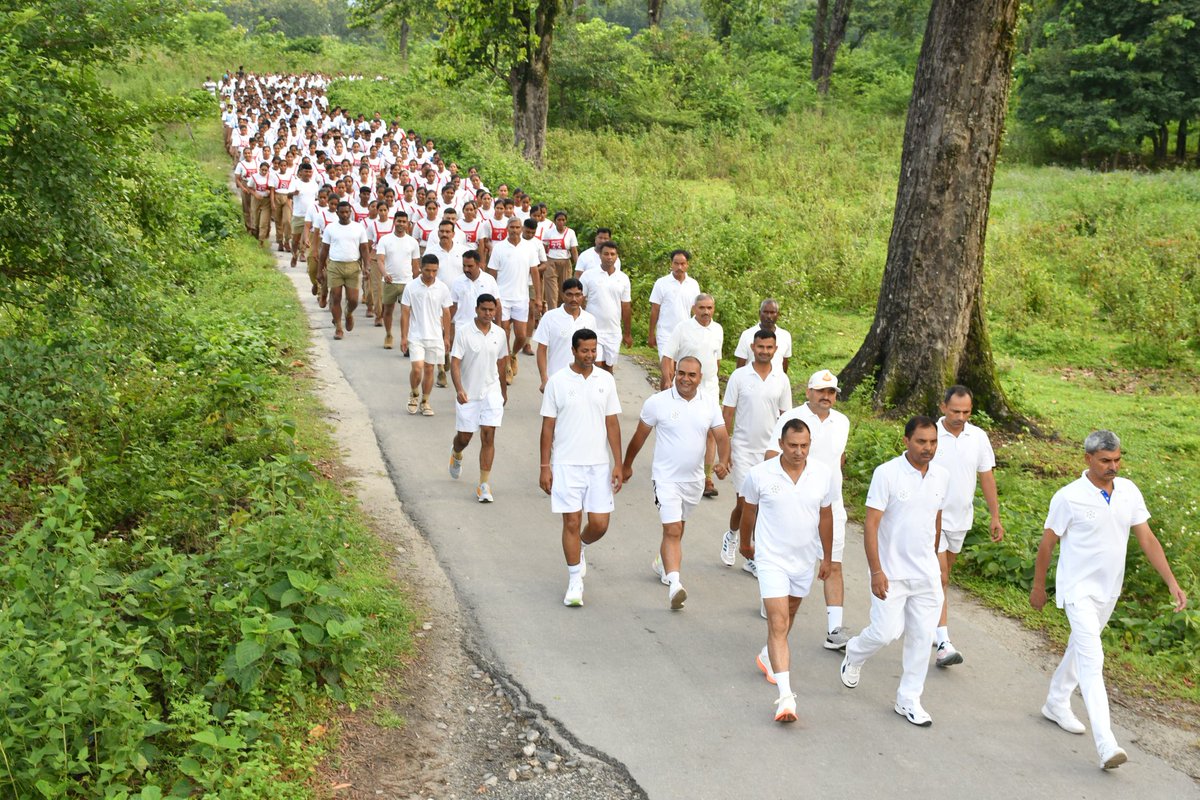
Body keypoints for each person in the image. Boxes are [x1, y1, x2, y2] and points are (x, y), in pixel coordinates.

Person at [1030, 430, 1187, 770]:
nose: (1112, 466)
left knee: (1080, 648)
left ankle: (1056, 702)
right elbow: (1047, 545)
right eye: (1105, 461)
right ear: (1087, 459)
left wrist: (1171, 582)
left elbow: (1146, 539)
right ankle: (1106, 744)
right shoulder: (1068, 497)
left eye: (1117, 459)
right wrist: (1038, 587)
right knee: (1092, 658)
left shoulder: (1128, 491)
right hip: (1077, 590)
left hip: (1108, 591)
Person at [839, 417, 948, 728]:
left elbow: (935, 519)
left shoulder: (942, 476)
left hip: (925, 574)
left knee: (922, 636)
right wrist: (876, 571)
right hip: (891, 572)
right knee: (886, 632)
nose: (928, 448)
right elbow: (871, 524)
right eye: (921, 442)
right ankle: (856, 652)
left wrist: (936, 562)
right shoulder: (886, 474)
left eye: (933, 442)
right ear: (906, 441)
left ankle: (908, 698)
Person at [739, 419, 836, 723]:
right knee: (779, 621)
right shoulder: (759, 475)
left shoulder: (823, 474)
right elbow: (748, 511)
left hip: (804, 559)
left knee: (790, 613)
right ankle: (785, 697)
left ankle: (768, 656)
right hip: (771, 559)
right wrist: (745, 542)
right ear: (781, 444)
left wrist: (828, 557)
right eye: (792, 445)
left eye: (804, 446)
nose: (798, 452)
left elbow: (826, 516)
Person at [622, 356, 731, 611]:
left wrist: (723, 462)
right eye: (681, 373)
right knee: (672, 531)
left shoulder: (709, 404)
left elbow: (722, 437)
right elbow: (639, 437)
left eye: (691, 375)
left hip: (693, 481)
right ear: (675, 373)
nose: (685, 378)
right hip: (665, 478)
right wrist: (626, 465)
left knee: (678, 529)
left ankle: (662, 563)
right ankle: (675, 585)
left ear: (699, 378)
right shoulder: (657, 402)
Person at [767, 370, 852, 650]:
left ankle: (834, 630)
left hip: (832, 505)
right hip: (796, 507)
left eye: (831, 392)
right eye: (821, 391)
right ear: (809, 392)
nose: (826, 397)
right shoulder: (792, 419)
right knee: (790, 563)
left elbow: (838, 459)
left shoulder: (842, 422)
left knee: (833, 564)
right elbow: (771, 456)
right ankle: (774, 597)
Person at [539, 329, 623, 608]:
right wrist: (544, 466)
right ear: (573, 351)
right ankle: (575, 580)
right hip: (565, 464)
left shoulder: (606, 380)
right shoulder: (557, 382)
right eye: (585, 350)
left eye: (593, 350)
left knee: (599, 524)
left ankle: (581, 547)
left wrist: (619, 463)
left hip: (598, 465)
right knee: (571, 522)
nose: (590, 355)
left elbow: (612, 423)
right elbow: (547, 426)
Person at [929, 385, 1005, 667]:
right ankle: (943, 643)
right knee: (940, 577)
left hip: (961, 519)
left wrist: (995, 515)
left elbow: (986, 476)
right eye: (955, 411)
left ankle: (928, 623)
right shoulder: (930, 435)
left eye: (966, 412)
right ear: (943, 407)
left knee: (942, 579)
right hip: (931, 519)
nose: (960, 417)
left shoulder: (978, 437)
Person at [720, 330, 792, 578]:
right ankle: (732, 535)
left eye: (769, 347)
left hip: (770, 452)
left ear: (775, 349)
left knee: (762, 504)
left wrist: (788, 452)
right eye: (760, 347)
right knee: (744, 503)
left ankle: (753, 555)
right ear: (752, 347)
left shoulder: (782, 380)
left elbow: (787, 418)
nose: (764, 351)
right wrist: (725, 451)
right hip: (742, 448)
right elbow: (727, 414)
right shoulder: (739, 377)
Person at [661, 294, 723, 498]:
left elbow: (717, 360)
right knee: (683, 427)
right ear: (694, 308)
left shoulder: (718, 330)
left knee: (711, 432)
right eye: (702, 307)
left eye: (710, 308)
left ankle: (706, 478)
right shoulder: (683, 328)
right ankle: (677, 467)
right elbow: (668, 356)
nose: (706, 312)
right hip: (685, 386)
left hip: (710, 387)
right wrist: (668, 379)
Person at [449, 294, 509, 502]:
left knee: (488, 435)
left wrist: (503, 391)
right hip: (469, 393)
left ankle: (484, 484)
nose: (488, 314)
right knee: (465, 437)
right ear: (476, 309)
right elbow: (455, 362)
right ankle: (456, 453)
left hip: (491, 392)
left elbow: (502, 363)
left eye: (492, 310)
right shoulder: (464, 332)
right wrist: (459, 389)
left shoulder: (500, 334)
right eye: (484, 309)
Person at [487, 217, 541, 385]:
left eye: (518, 227)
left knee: (521, 335)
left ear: (522, 229)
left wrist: (538, 297)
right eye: (512, 227)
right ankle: (507, 367)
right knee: (504, 332)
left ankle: (513, 355)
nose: (515, 230)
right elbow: (492, 273)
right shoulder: (499, 248)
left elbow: (535, 273)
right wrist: (491, 296)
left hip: (521, 297)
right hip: (502, 297)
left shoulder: (529, 248)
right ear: (507, 228)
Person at [400, 254, 453, 416]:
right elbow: (405, 313)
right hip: (416, 335)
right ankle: (414, 393)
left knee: (429, 369)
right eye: (427, 270)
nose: (431, 274)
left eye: (434, 271)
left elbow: (446, 313)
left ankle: (425, 401)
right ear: (420, 268)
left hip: (435, 336)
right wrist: (403, 337)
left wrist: (446, 337)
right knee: (417, 369)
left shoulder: (442, 288)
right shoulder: (411, 287)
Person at [533, 278, 597, 393]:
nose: (574, 299)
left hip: (583, 380)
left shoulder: (590, 319)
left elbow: (593, 351)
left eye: (578, 295)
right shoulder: (550, 317)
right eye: (569, 295)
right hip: (556, 381)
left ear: (583, 296)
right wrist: (544, 379)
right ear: (562, 295)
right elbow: (541, 350)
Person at [578, 241, 632, 373]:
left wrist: (627, 334)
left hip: (613, 331)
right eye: (606, 254)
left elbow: (626, 306)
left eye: (612, 254)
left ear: (617, 256)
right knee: (596, 365)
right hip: (593, 329)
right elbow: (579, 300)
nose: (609, 257)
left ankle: (606, 393)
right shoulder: (588, 275)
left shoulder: (623, 278)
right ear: (600, 256)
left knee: (608, 368)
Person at [427, 220, 470, 387]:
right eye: (442, 231)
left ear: (453, 233)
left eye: (447, 231)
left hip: (457, 300)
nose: (444, 234)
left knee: (450, 336)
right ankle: (440, 371)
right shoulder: (431, 252)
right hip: (437, 300)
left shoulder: (463, 251)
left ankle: (446, 356)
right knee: (438, 333)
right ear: (438, 233)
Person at [319, 200, 369, 340]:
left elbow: (364, 249)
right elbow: (324, 250)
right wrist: (319, 270)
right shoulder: (330, 228)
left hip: (353, 266)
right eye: (342, 212)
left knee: (353, 300)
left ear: (351, 212)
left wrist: (367, 266)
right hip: (335, 266)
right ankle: (338, 327)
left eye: (347, 212)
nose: (345, 215)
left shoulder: (358, 228)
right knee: (335, 297)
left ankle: (348, 313)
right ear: (337, 213)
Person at [374, 210, 421, 350]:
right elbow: (380, 260)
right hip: (390, 282)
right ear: (394, 222)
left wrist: (416, 281)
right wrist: (385, 274)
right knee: (387, 310)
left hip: (407, 283)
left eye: (403, 222)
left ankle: (404, 338)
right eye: (398, 221)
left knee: (407, 312)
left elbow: (415, 264)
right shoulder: (385, 240)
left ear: (408, 224)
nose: (401, 224)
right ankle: (388, 334)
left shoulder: (413, 242)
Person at [648, 250, 700, 360]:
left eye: (682, 264)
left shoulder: (693, 285)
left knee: (680, 370)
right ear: (671, 264)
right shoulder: (661, 283)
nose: (679, 267)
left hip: (686, 334)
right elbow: (655, 310)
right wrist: (651, 334)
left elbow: (696, 310)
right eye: (676, 263)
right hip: (665, 334)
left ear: (687, 265)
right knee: (666, 369)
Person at [734, 299, 792, 373]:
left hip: (776, 383)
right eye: (765, 312)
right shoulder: (747, 335)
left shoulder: (785, 336)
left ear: (778, 314)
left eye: (772, 312)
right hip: (751, 383)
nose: (768, 316)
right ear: (759, 313)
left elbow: (784, 364)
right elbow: (740, 367)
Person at [541, 211, 578, 308]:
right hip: (551, 262)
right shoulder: (549, 232)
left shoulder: (570, 233)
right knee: (552, 290)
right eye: (559, 220)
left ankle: (563, 310)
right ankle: (552, 311)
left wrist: (577, 264)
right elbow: (543, 248)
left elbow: (574, 250)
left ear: (566, 221)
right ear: (555, 221)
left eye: (563, 220)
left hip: (565, 262)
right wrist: (542, 262)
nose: (561, 222)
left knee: (564, 288)